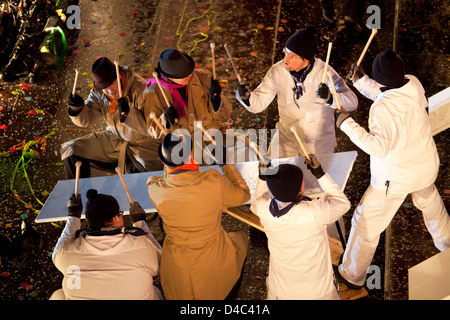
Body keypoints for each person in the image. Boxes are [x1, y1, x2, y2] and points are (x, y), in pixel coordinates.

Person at [334, 50, 450, 289]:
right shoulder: (413, 84)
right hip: (426, 168)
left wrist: (346, 123)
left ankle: (352, 275)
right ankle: (447, 243)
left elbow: (376, 147)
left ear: (379, 78)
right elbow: (389, 94)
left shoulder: (381, 110)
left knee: (365, 222)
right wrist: (360, 81)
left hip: (395, 179)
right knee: (431, 205)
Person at [146, 132, 250, 299]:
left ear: (164, 162)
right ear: (191, 156)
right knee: (242, 238)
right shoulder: (212, 182)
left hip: (176, 273)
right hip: (213, 262)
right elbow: (243, 194)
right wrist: (226, 163)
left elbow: (167, 177)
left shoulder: (154, 188)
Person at [236, 25, 358, 159]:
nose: (285, 59)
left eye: (291, 56)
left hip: (318, 144)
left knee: (318, 179)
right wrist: (247, 97)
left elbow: (352, 102)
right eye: (285, 52)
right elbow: (258, 103)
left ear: (306, 60)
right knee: (273, 176)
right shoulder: (277, 70)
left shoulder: (325, 72)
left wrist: (331, 98)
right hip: (286, 141)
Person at [251, 155, 351, 299]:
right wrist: (320, 174)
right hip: (318, 292)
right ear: (300, 189)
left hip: (281, 291)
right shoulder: (314, 212)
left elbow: (257, 200)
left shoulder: (263, 209)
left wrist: (262, 177)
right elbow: (343, 203)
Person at [61, 56, 163, 179]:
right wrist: (76, 108)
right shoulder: (100, 92)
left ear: (120, 74)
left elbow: (155, 130)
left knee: (136, 183)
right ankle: (77, 196)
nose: (110, 91)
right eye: (105, 88)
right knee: (70, 150)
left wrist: (129, 114)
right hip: (116, 139)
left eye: (113, 84)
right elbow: (86, 120)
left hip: (144, 147)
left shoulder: (142, 89)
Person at [50, 189, 163, 300]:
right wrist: (140, 222)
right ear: (115, 219)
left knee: (59, 295)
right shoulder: (141, 245)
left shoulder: (67, 251)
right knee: (154, 290)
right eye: (120, 213)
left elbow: (58, 252)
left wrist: (73, 217)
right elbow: (160, 261)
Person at [143, 49, 231, 143]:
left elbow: (224, 115)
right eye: (183, 75)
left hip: (213, 133)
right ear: (169, 77)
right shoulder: (152, 92)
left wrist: (216, 100)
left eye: (189, 71)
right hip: (184, 144)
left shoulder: (203, 76)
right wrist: (165, 120)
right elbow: (153, 132)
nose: (189, 75)